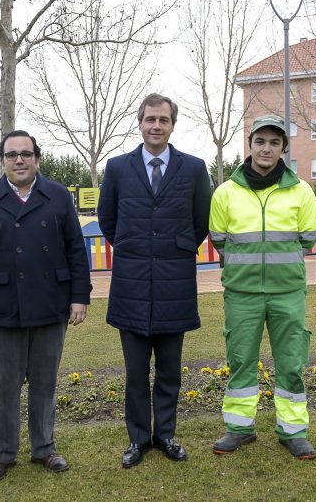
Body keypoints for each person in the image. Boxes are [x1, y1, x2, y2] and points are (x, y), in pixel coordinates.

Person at [0, 130, 92, 482]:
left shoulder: (58, 196)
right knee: (5, 384)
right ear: (2, 161)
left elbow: (75, 249)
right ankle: (3, 454)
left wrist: (80, 296)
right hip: (4, 307)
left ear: (37, 158)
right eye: (11, 154)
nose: (19, 160)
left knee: (45, 382)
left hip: (51, 303)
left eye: (25, 153)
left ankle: (44, 449)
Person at [98, 93, 212, 468]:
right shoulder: (116, 168)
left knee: (169, 371)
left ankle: (165, 435)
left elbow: (200, 222)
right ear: (140, 123)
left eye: (163, 120)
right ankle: (137, 440)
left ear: (172, 125)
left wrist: (169, 251)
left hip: (174, 285)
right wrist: (136, 249)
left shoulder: (194, 169)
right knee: (134, 374)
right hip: (131, 285)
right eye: (150, 119)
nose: (156, 126)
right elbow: (108, 220)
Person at [209, 115, 316, 460]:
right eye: (260, 141)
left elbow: (308, 240)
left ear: (283, 147)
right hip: (242, 294)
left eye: (274, 142)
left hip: (287, 293)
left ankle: (293, 431)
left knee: (290, 362)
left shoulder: (302, 190)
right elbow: (219, 239)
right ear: (250, 145)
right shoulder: (225, 192)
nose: (266, 148)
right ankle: (240, 428)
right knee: (241, 360)